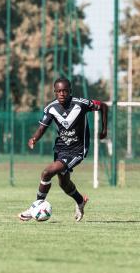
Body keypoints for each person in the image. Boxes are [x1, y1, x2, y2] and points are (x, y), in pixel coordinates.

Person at [18, 77, 108, 222]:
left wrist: (104, 130)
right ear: (55, 92)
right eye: (58, 91)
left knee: (47, 173)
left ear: (70, 91)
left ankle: (34, 207)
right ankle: (80, 201)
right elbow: (42, 127)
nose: (62, 94)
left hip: (78, 150)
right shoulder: (51, 108)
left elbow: (103, 106)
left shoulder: (81, 103)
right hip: (61, 149)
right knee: (64, 184)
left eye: (65, 91)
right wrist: (34, 138)